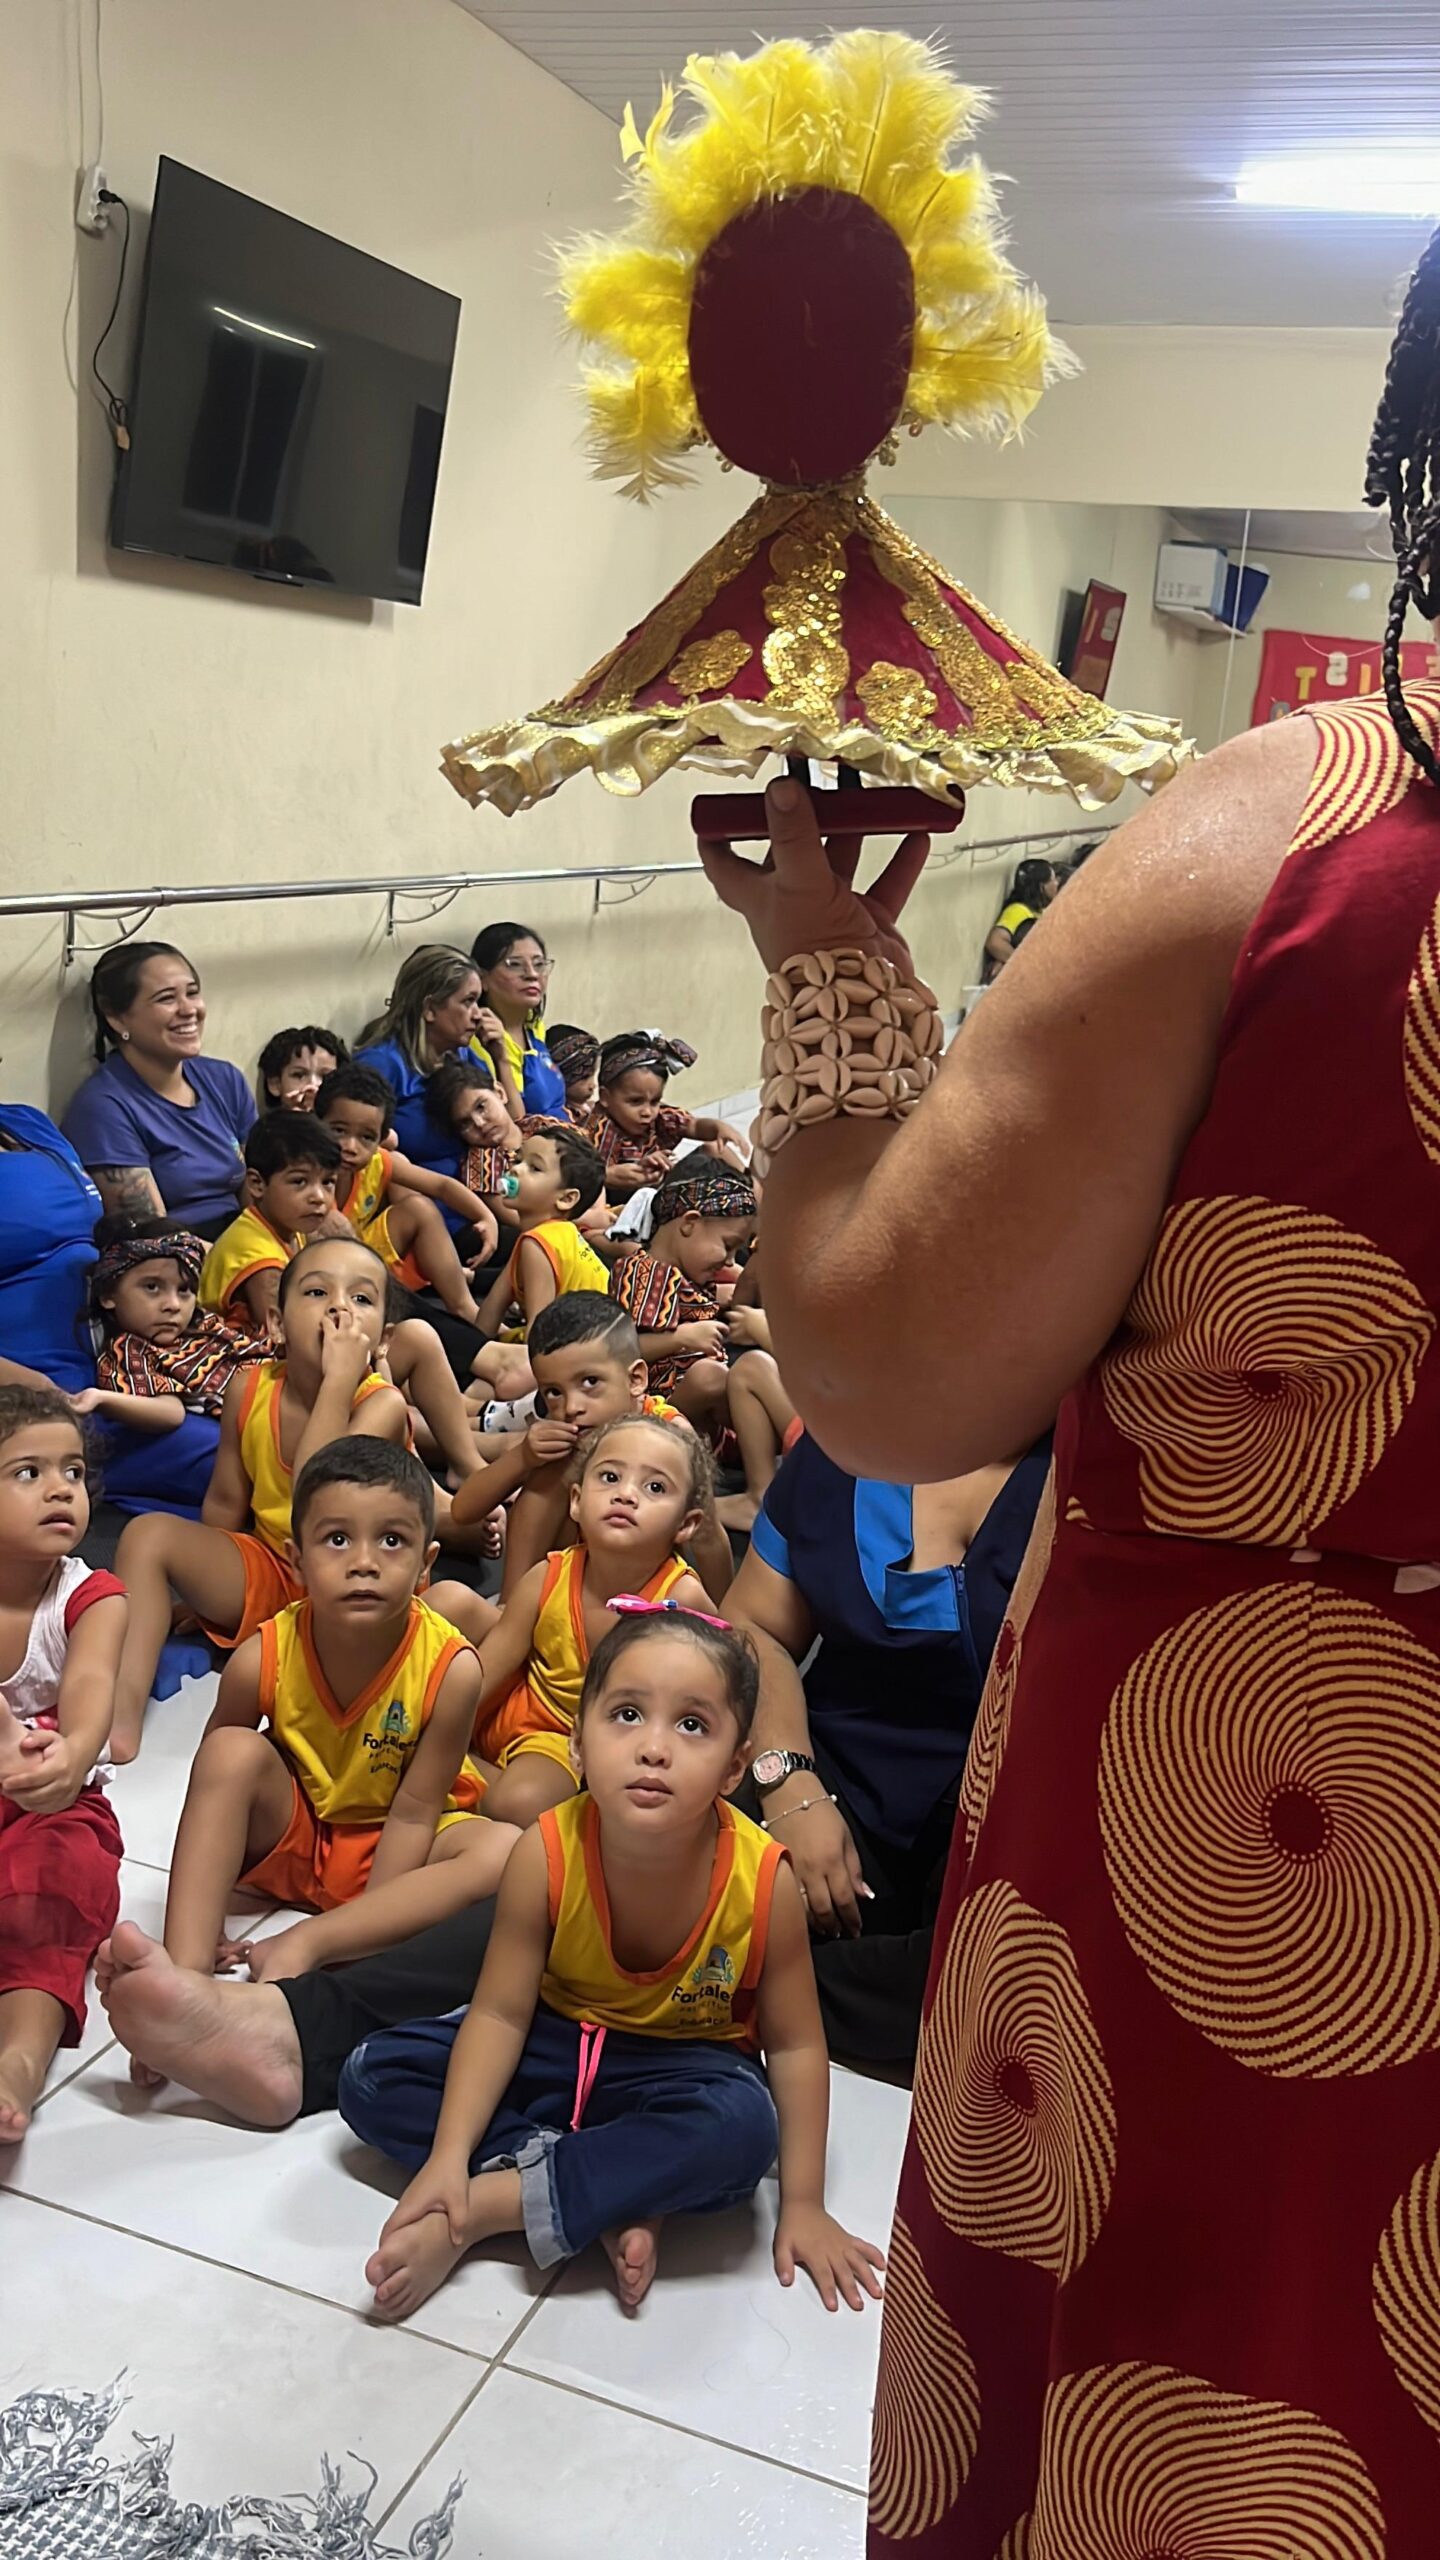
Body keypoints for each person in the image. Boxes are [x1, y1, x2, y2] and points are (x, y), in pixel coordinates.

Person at [694, 234, 1440, 2551]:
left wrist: (829, 973)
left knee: (1189, 2414)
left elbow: (890, 1367)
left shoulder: (1296, 839)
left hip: (1240, 1848)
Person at [337, 1606, 886, 2322]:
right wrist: (446, 2155)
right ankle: (611, 2189)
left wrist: (804, 2205)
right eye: (627, 1715)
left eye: (692, 1725)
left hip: (681, 2070)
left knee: (743, 2128)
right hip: (553, 2048)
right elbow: (499, 2016)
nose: (653, 1748)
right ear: (577, 1744)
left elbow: (795, 2047)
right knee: (371, 2075)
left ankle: (487, 2208)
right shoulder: (542, 1854)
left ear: (734, 1766)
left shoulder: (765, 1882)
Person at [147, 1440, 514, 2006]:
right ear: (296, 1561)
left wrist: (356, 1934)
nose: (364, 1562)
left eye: (391, 1540)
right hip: (295, 1836)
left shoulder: (452, 1669)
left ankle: (308, 1941)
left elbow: (415, 1812)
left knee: (505, 1850)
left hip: (397, 1844)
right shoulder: (262, 1656)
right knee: (230, 1751)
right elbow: (215, 1783)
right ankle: (182, 1980)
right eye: (337, 1539)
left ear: (426, 1563)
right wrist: (202, 1919)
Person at [728, 1428, 1050, 2068]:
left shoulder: (1110, 1463)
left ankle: (737, 1988)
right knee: (651, 1840)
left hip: (1025, 1805)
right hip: (839, 1777)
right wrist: (789, 1780)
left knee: (1008, 1986)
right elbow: (753, 1624)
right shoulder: (841, 1448)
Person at [108, 1237, 410, 1759]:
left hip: (355, 1582)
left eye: (361, 1299)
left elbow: (316, 1495)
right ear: (275, 1323)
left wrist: (340, 1380)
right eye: (317, 1292)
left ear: (380, 1340)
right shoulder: (249, 1388)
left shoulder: (381, 1406)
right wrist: (206, 1585)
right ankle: (118, 1714)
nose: (339, 1309)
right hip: (277, 1562)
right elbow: (227, 1502)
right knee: (146, 1535)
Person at [458, 1416, 714, 1828]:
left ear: (686, 1524)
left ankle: (464, 1778)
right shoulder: (548, 1574)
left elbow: (717, 1690)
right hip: (512, 1702)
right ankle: (453, 1768)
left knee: (517, 1804)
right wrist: (441, 1731)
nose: (625, 1495)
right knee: (426, 1722)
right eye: (610, 1477)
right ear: (576, 1501)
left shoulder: (680, 1600)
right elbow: (488, 1671)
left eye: (654, 1487)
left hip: (561, 1735)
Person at [0, 1387, 125, 2141]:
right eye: (28, 1472)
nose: (59, 1489)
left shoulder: (92, 1598)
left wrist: (72, 1756)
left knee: (52, 1895)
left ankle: (18, 2061)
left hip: (56, 1804)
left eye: (72, 1472)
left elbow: (91, 1696)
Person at [0, 1106, 220, 1517]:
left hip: (131, 1354)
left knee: (268, 1403)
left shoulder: (27, 1123)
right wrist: (41, 1389)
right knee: (240, 1452)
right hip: (57, 1394)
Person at [453, 1292, 733, 1605]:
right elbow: (463, 1510)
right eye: (554, 1392)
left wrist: (722, 1620)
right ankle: (513, 1604)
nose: (571, 1406)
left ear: (636, 1379)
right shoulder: (566, 1436)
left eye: (589, 1382)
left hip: (645, 1592)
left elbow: (708, 1536)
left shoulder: (671, 1436)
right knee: (549, 1474)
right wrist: (522, 1457)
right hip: (565, 1587)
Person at [610, 1159, 792, 1529]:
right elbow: (617, 1353)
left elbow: (722, 1298)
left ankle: (778, 1462)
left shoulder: (688, 1276)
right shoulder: (642, 1272)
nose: (729, 1260)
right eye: (727, 1246)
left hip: (705, 1424)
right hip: (655, 1407)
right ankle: (763, 1485)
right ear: (690, 1223)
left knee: (752, 1376)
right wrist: (681, 1338)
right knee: (713, 1376)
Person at [61, 942, 256, 1234]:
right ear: (116, 1017)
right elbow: (151, 1235)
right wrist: (237, 1257)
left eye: (192, 993)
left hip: (247, 1239)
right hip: (180, 1251)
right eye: (166, 998)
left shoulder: (225, 1080)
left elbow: (263, 1186)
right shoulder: (103, 1107)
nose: (189, 1010)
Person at [314, 1063, 496, 1326]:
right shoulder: (305, 1168)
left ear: (380, 1139)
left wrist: (485, 1217)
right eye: (338, 1130)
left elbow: (442, 1186)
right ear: (316, 1123)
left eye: (366, 1137)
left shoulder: (377, 1162)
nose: (350, 1146)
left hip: (361, 1254)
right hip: (319, 1271)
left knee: (419, 1209)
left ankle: (465, 1308)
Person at [355, 948, 503, 1227]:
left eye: (478, 1002)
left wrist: (501, 1060)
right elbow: (355, 1150)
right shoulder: (381, 1065)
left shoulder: (462, 1054)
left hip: (490, 1200)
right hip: (431, 1218)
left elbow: (512, 1126)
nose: (478, 1015)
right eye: (468, 1001)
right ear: (430, 1008)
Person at [84, 1219, 268, 1438]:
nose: (173, 1305)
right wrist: (99, 1398)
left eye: (184, 1290)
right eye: (152, 1287)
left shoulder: (205, 1322)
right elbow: (172, 1413)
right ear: (108, 1295)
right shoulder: (129, 1350)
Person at [198, 1112, 343, 1335]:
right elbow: (284, 1336)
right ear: (257, 1184)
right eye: (299, 1181)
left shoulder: (288, 1224)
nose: (319, 1197)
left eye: (328, 1182)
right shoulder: (260, 1260)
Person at [473, 1125, 610, 1351]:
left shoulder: (538, 1243)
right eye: (518, 1160)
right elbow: (493, 1306)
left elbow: (538, 1334)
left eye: (534, 1168)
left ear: (566, 1199)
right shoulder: (545, 1236)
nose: (515, 1170)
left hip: (585, 1351)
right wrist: (474, 1353)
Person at [581, 1032, 745, 1198]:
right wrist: (611, 1176)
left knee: (715, 1149)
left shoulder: (660, 1117)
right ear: (605, 1097)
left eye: (654, 1101)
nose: (647, 1112)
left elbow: (694, 1126)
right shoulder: (598, 1130)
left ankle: (751, 1192)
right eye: (635, 1101)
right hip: (626, 1203)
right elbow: (585, 1176)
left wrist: (718, 1128)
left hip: (660, 1186)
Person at [469, 922, 567, 1123]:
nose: (532, 974)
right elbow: (512, 1122)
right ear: (482, 979)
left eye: (539, 964)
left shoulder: (534, 1027)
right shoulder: (477, 1042)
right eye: (514, 964)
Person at [424, 1058, 522, 1233]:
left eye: (481, 1107)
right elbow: (517, 1218)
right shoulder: (482, 1165)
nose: (479, 1123)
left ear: (500, 1093)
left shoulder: (541, 1125)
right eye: (465, 1124)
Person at [979, 854, 1059, 981]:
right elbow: (995, 942)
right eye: (1053, 879)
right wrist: (1022, 965)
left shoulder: (1039, 911)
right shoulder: (1017, 911)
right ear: (1041, 886)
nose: (1057, 883)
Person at [256, 1025, 349, 1114]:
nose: (313, 1086)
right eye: (299, 1075)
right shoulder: (268, 1124)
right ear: (275, 1083)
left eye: (327, 1076)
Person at [544, 1025, 601, 1123]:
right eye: (585, 1077)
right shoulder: (556, 1118)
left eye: (593, 1075)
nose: (593, 1085)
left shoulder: (586, 1108)